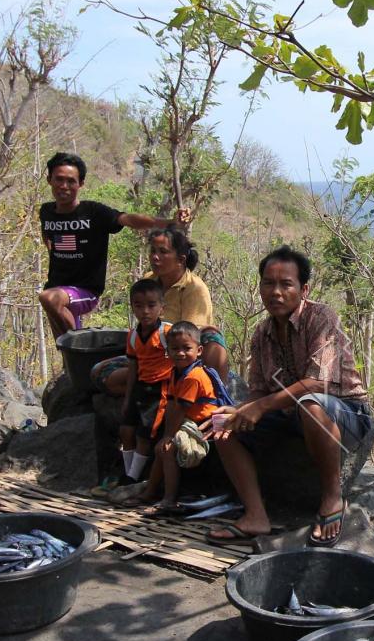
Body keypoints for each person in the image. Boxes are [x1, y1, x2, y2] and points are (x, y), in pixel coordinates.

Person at [202, 246, 374, 548]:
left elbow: (317, 382)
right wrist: (240, 410)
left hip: (344, 412)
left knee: (309, 404)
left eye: (286, 284)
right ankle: (256, 515)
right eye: (269, 283)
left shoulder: (321, 318)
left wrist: (262, 406)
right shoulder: (262, 333)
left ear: (303, 289)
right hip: (289, 415)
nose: (276, 292)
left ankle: (333, 498)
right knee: (223, 428)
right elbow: (258, 388)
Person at [36, 152, 187, 337]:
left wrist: (169, 222)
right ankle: (73, 361)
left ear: (81, 184)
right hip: (57, 287)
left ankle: (78, 347)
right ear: (49, 180)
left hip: (85, 291)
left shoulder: (94, 212)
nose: (64, 186)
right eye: (59, 179)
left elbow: (129, 219)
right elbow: (48, 239)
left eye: (71, 181)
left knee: (49, 300)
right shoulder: (46, 211)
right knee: (61, 340)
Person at [92, 228, 229, 397]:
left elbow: (192, 336)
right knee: (98, 373)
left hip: (180, 355)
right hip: (150, 354)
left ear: (180, 260)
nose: (155, 257)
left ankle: (213, 396)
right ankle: (158, 391)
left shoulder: (195, 288)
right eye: (153, 251)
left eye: (163, 252)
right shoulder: (148, 281)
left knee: (212, 339)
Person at [146, 320, 232, 509]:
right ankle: (149, 492)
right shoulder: (174, 373)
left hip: (205, 423)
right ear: (168, 351)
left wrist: (169, 436)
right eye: (175, 349)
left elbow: (181, 408)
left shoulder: (194, 376)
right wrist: (166, 434)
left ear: (199, 350)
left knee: (168, 450)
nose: (181, 353)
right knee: (160, 448)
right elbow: (170, 404)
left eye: (187, 348)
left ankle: (169, 499)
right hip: (189, 421)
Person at [118, 279, 176, 485]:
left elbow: (184, 354)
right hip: (140, 388)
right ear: (132, 306)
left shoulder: (167, 333)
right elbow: (133, 366)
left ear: (162, 307)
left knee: (144, 435)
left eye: (151, 305)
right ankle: (128, 472)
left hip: (160, 389)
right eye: (139, 306)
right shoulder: (133, 336)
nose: (145, 311)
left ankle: (132, 478)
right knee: (126, 430)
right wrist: (128, 397)